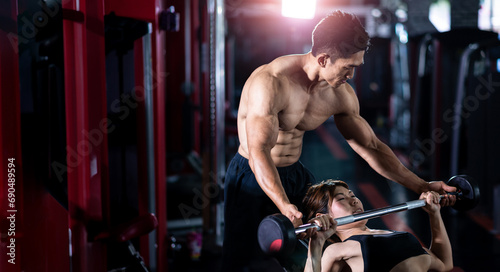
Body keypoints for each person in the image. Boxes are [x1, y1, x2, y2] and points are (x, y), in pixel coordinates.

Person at [222, 10, 456, 271]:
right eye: (349, 67)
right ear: (323, 58)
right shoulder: (271, 83)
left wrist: (422, 185)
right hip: (253, 174)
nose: (352, 76)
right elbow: (259, 151)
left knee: (320, 253)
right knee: (245, 261)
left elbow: (372, 147)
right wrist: (284, 206)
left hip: (295, 176)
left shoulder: (340, 93)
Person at [302, 180, 453, 272]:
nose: (354, 201)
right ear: (323, 217)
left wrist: (434, 213)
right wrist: (316, 244)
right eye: (341, 198)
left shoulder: (391, 234)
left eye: (352, 195)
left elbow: (444, 264)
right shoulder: (337, 250)